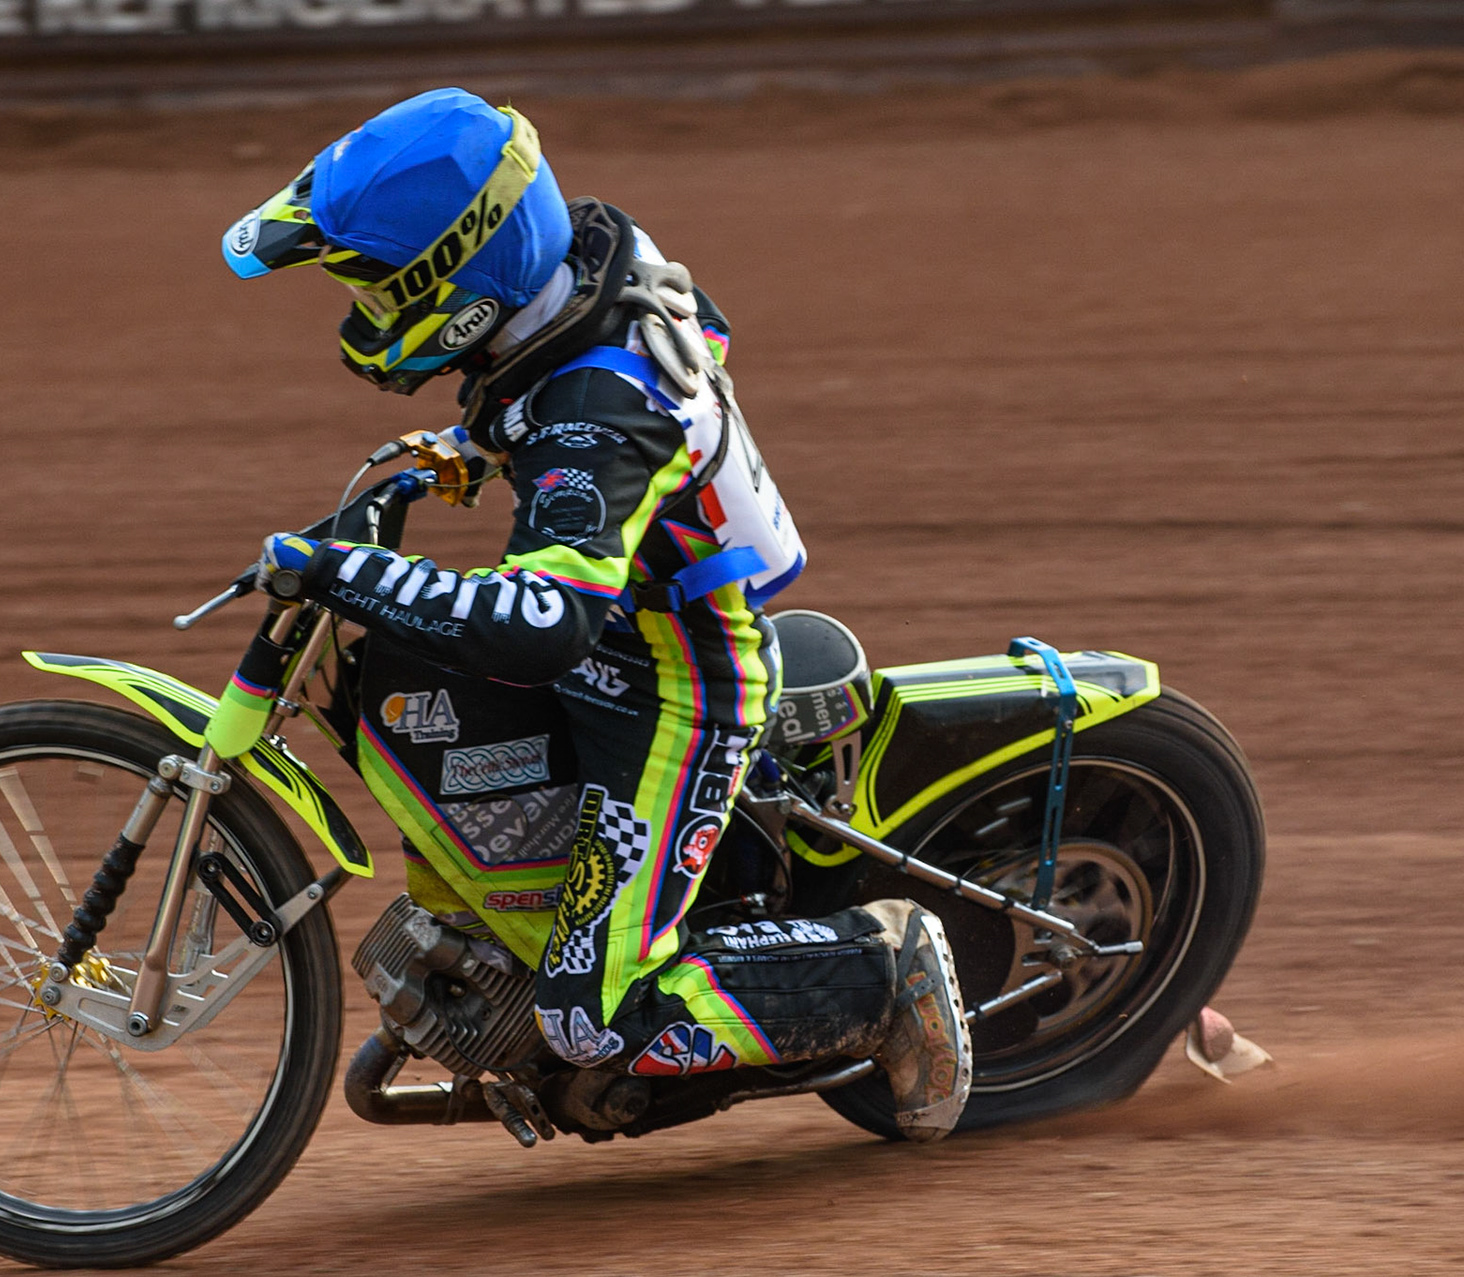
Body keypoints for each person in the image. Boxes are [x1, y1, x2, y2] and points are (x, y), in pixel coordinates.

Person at [222, 88, 971, 1140]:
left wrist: (351, 573)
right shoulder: (583, 267)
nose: (368, 312)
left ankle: (884, 966)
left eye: (382, 288)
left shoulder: (592, 413)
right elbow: (614, 378)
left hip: (673, 680)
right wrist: (479, 448)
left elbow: (543, 623)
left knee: (587, 1014)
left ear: (463, 280)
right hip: (631, 619)